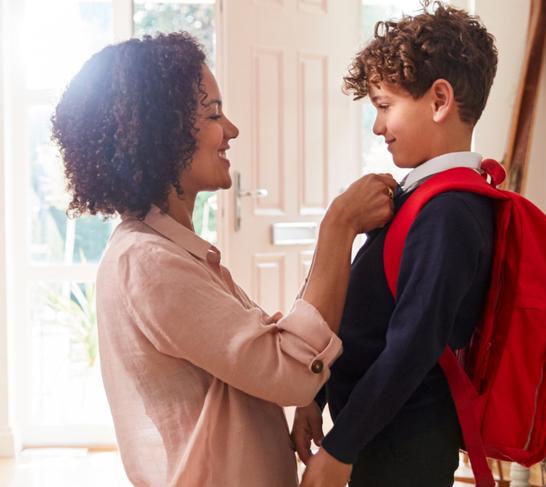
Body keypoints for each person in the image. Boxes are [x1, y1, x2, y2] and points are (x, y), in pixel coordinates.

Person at [51, 32, 397, 487]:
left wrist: (310, 395)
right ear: (164, 133)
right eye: (213, 114)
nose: (230, 130)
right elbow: (290, 370)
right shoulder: (149, 264)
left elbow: (262, 353)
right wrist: (338, 227)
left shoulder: (171, 252)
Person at [292, 2, 499, 486]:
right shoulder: (422, 199)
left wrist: (340, 451)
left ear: (439, 99)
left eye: (384, 106)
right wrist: (315, 395)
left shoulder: (449, 213)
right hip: (377, 434)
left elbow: (412, 347)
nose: (377, 127)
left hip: (405, 445)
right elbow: (367, 314)